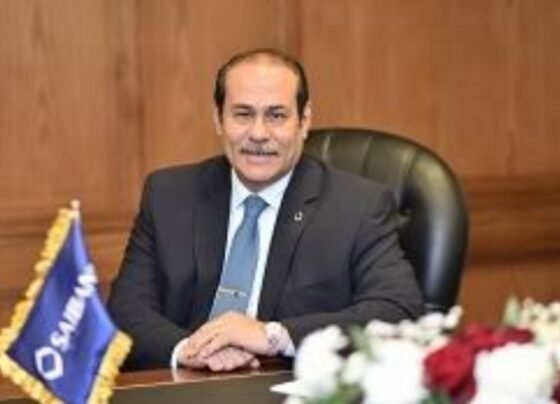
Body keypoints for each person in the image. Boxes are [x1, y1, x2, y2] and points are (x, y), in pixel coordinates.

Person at [108, 48, 424, 371]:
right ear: (218, 118)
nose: (258, 134)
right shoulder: (169, 196)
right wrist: (188, 350)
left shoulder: (358, 207)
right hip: (185, 385)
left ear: (304, 121)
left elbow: (399, 312)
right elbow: (125, 311)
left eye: (276, 115)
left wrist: (273, 335)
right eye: (243, 114)